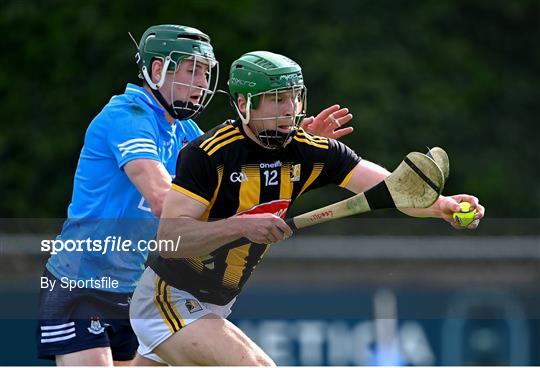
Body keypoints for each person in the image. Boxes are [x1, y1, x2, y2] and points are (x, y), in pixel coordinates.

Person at [129, 50, 485, 365]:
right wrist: (239, 226)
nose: (290, 109)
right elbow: (169, 238)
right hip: (168, 299)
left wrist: (443, 206)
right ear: (243, 104)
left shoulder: (311, 150)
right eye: (276, 99)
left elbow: (393, 188)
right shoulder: (209, 155)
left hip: (217, 304)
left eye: (295, 97)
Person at [36, 25, 354, 366]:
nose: (203, 82)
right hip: (85, 283)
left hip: (136, 289)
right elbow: (162, 200)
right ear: (157, 70)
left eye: (206, 72)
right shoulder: (127, 117)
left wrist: (290, 147)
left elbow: (227, 183)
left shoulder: (187, 131)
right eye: (193, 70)